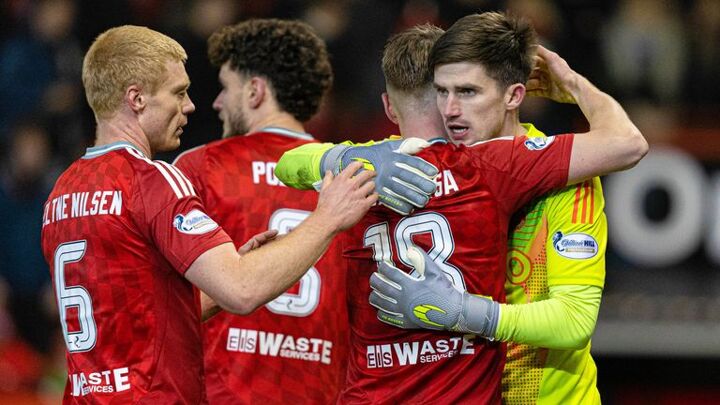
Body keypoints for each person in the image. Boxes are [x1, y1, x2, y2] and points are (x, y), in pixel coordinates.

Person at [276, 12, 647, 404]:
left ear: (513, 95)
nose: (450, 109)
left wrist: (571, 84)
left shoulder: (569, 178)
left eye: (467, 92)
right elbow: (289, 163)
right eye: (441, 91)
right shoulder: (402, 162)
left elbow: (573, 321)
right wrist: (345, 157)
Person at [39, 25, 384, 404]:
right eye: (179, 93)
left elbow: (139, 317)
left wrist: (224, 280)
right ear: (136, 99)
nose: (192, 105)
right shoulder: (153, 179)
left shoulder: (61, 192)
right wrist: (327, 217)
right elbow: (242, 289)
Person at [172, 19, 346, 404]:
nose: (217, 102)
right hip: (322, 392)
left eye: (225, 88)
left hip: (220, 393)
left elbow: (166, 302)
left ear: (254, 91)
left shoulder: (201, 168)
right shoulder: (346, 179)